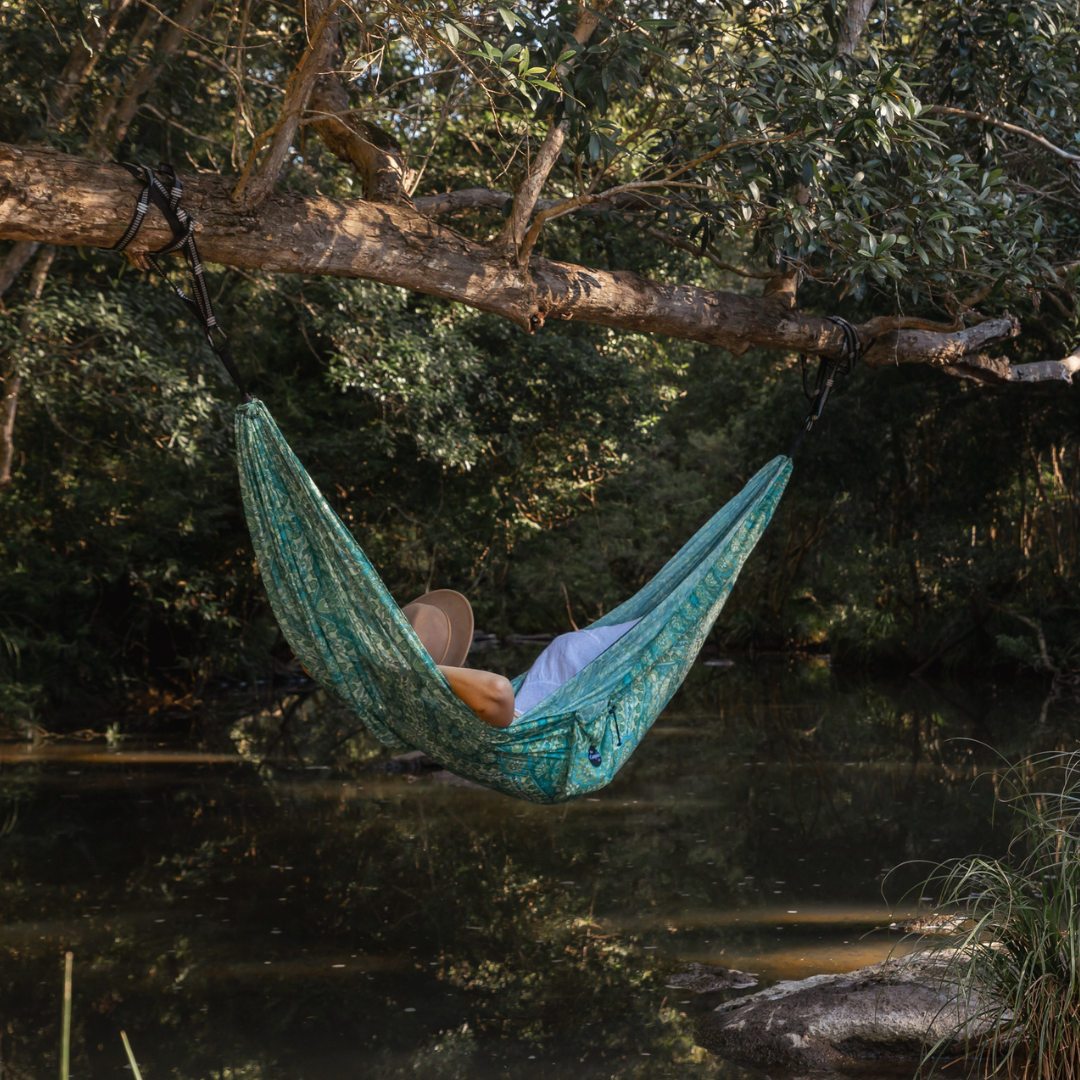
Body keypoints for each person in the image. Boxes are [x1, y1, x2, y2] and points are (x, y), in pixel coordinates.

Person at [402, 590, 640, 729]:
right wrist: (426, 669)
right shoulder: (468, 702)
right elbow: (499, 689)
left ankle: (659, 618)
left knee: (643, 627)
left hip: (561, 668)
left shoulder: (411, 704)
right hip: (561, 687)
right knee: (644, 631)